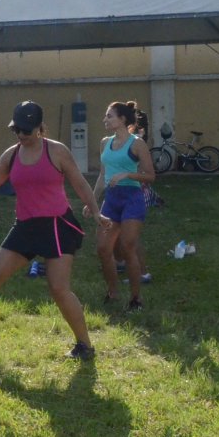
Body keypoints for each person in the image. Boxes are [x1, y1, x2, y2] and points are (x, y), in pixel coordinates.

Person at [0, 100, 107, 360]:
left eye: (26, 130)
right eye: (17, 130)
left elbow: (79, 183)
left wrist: (96, 211)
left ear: (39, 127)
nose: (21, 135)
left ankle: (85, 346)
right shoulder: (11, 155)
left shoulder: (56, 151)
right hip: (25, 226)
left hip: (56, 226)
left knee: (59, 289)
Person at [91, 101, 156, 311]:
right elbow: (102, 175)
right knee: (103, 249)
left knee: (128, 247)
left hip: (132, 199)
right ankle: (113, 292)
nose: (105, 120)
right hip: (112, 200)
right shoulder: (105, 143)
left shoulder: (137, 144)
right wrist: (92, 201)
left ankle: (136, 298)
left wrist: (127, 174)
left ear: (122, 119)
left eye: (109, 116)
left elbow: (150, 176)